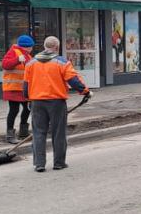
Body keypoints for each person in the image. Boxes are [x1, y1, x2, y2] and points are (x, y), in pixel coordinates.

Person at [23, 36, 90, 172]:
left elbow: (26, 85)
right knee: (58, 132)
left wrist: (28, 98)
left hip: (36, 102)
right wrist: (85, 92)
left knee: (38, 132)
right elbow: (73, 80)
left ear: (44, 46)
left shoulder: (31, 63)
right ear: (57, 47)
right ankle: (59, 163)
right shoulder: (62, 62)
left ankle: (39, 164)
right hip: (56, 102)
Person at [2, 35, 35, 144]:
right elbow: (5, 65)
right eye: (30, 47)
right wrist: (17, 60)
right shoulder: (14, 52)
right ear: (26, 47)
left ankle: (23, 132)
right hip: (13, 88)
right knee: (14, 110)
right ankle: (10, 135)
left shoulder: (28, 56)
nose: (31, 49)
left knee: (27, 109)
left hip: (24, 89)